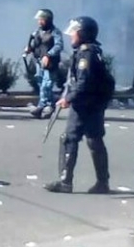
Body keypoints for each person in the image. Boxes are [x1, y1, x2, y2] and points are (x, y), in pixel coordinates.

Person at [44, 16, 112, 195]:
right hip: (95, 103)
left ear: (83, 34)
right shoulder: (93, 51)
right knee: (94, 139)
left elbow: (83, 82)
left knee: (69, 138)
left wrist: (69, 98)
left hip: (84, 104)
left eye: (74, 32)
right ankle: (103, 183)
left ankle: (65, 182)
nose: (71, 36)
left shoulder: (86, 54)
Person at [24, 9, 64, 119]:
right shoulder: (37, 32)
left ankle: (48, 105)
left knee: (47, 84)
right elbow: (36, 45)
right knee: (41, 83)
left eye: (42, 19)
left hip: (50, 63)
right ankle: (43, 104)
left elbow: (59, 46)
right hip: (39, 62)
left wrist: (48, 55)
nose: (39, 22)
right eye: (39, 19)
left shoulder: (55, 32)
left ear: (48, 20)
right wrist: (30, 49)